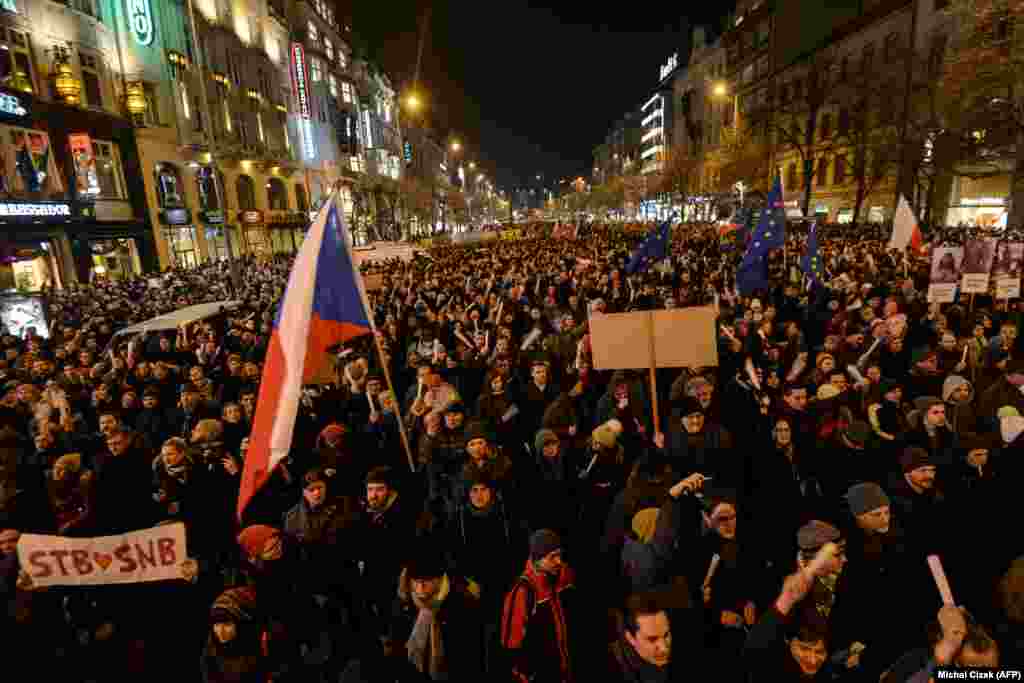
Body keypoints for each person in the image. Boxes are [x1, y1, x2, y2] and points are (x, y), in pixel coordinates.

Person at [501, 529, 578, 683]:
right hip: (543, 674)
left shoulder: (566, 576)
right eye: (552, 557)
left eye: (560, 555)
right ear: (537, 559)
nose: (559, 561)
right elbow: (511, 643)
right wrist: (526, 674)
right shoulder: (523, 591)